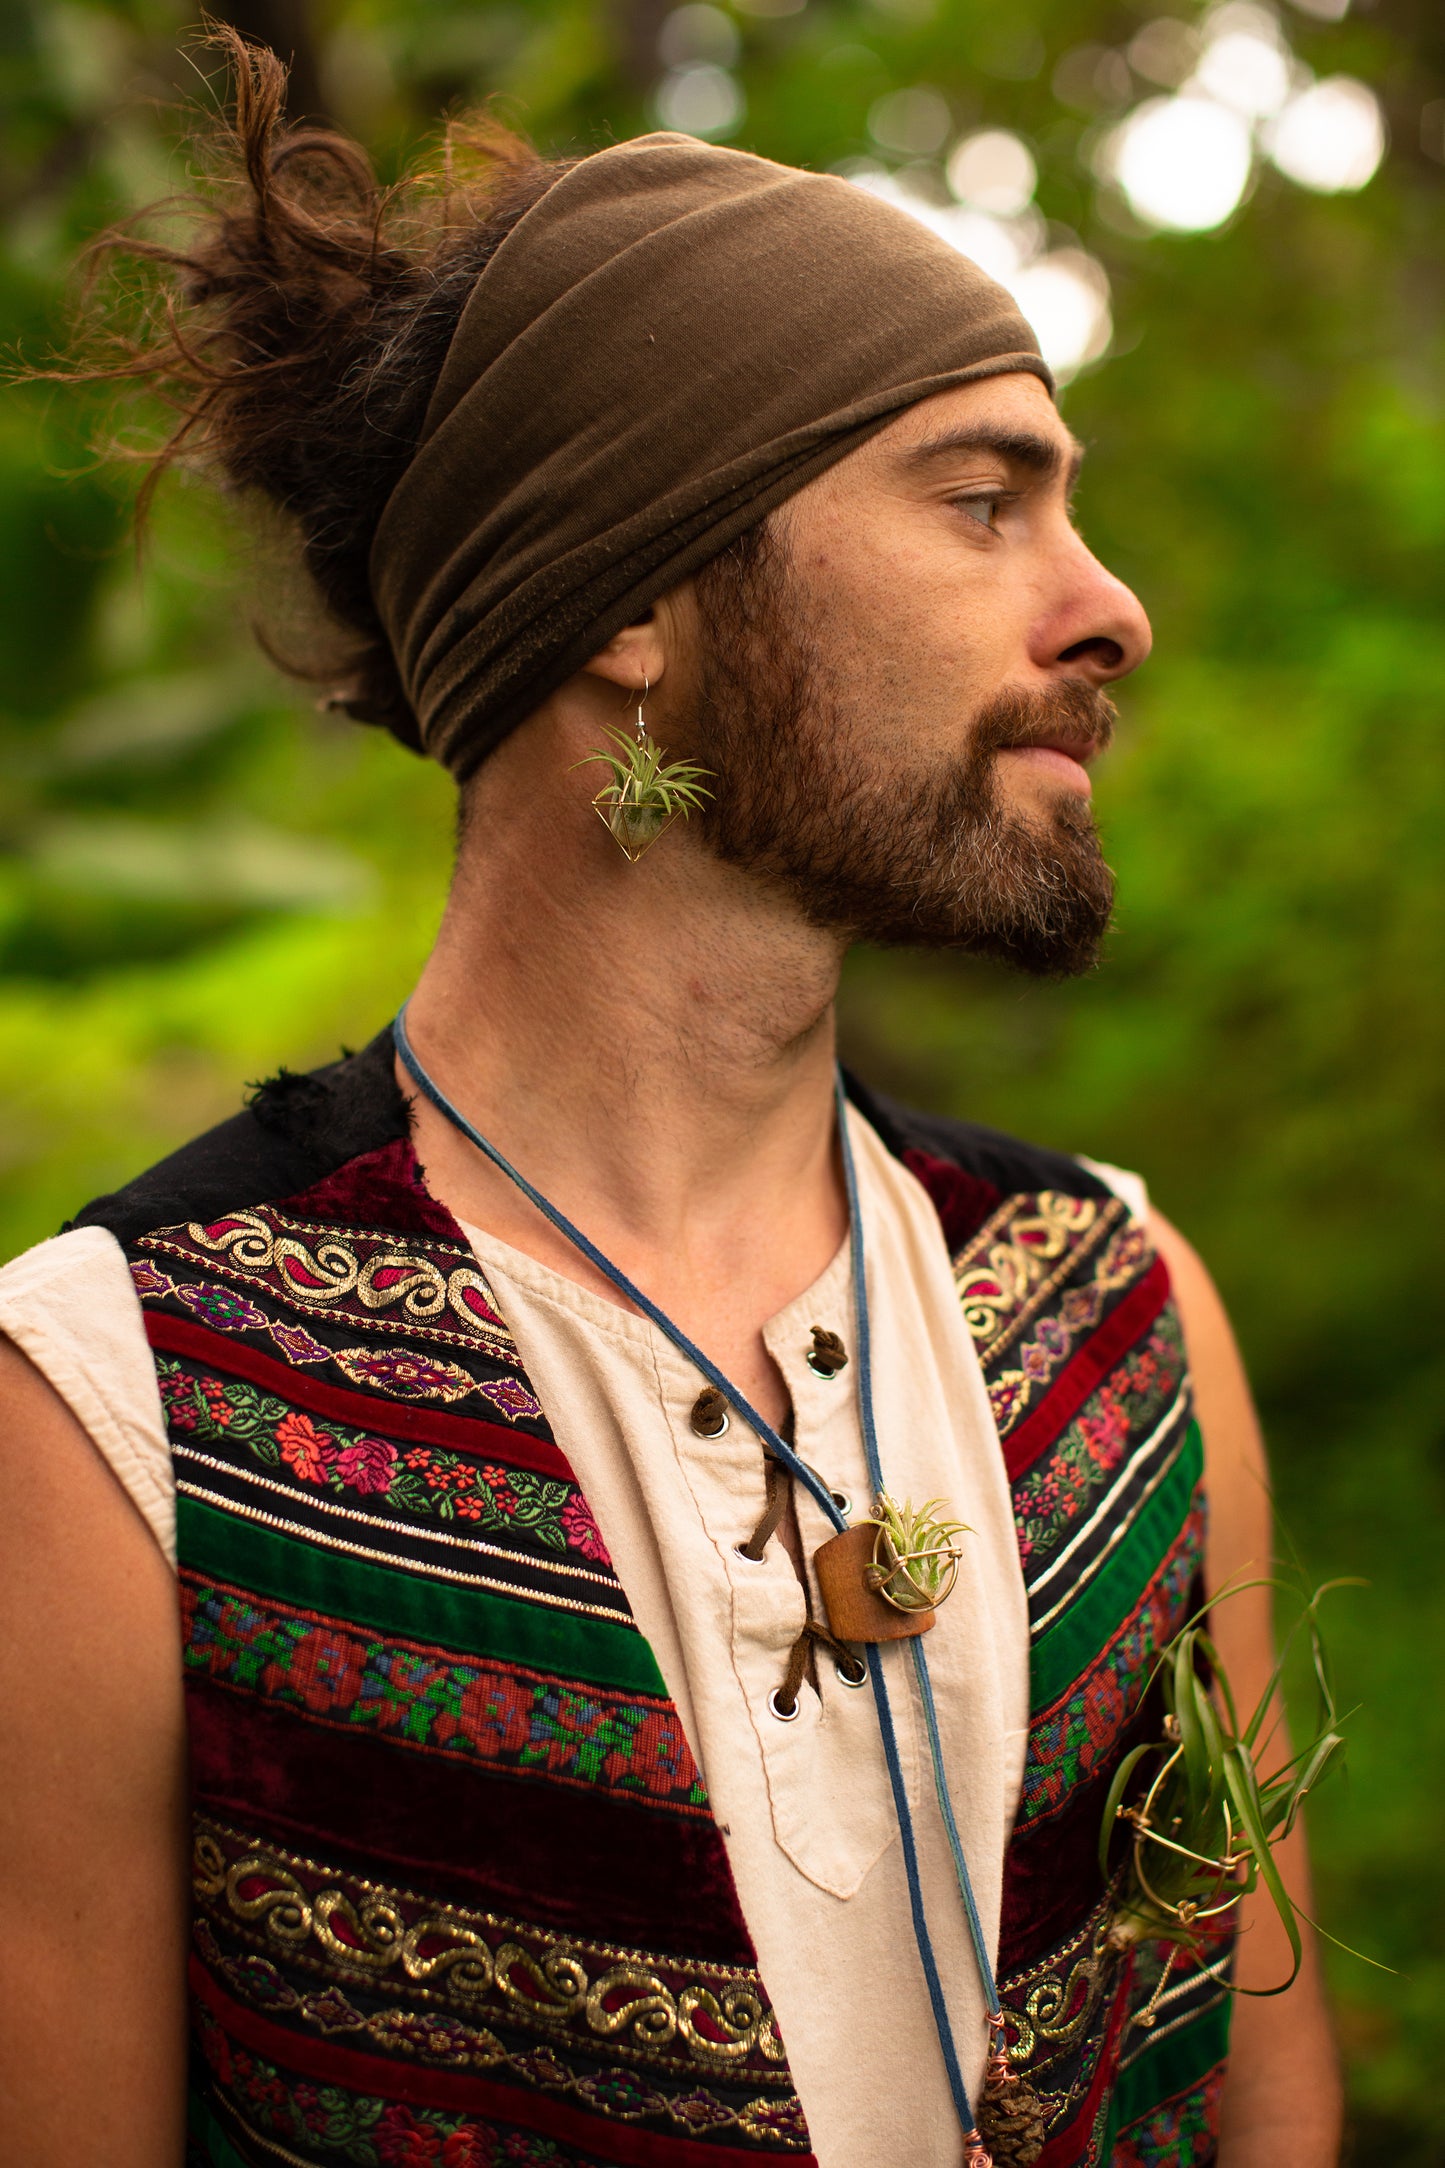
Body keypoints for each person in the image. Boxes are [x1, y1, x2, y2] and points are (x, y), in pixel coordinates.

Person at [0, 35, 1341, 2168]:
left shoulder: (1122, 1315)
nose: (1108, 609)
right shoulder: (111, 1416)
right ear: (632, 599)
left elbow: (1263, 2095)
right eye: (982, 501)